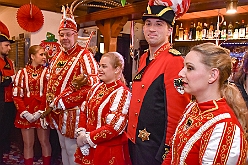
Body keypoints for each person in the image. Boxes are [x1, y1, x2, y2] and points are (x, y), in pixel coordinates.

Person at [126, 0, 191, 164]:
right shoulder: (144, 57)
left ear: (170, 29)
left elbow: (177, 113)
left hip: (154, 148)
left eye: (159, 24)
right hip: (136, 141)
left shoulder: (174, 61)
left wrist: (166, 153)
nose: (152, 29)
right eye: (148, 24)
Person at [163, 42, 248, 165]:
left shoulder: (224, 127)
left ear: (212, 75)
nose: (181, 73)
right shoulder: (192, 107)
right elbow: (172, 154)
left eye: (190, 68)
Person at [44, 5, 99, 165]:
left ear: (76, 35)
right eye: (62, 35)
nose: (65, 38)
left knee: (73, 149)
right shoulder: (57, 56)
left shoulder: (85, 56)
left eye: (69, 34)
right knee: (62, 147)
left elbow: (92, 87)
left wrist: (66, 102)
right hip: (57, 114)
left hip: (75, 114)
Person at [74, 52, 132, 165]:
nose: (99, 69)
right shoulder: (96, 88)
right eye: (99, 65)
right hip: (89, 147)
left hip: (108, 150)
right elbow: (84, 110)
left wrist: (87, 138)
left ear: (117, 69)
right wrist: (81, 131)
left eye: (104, 66)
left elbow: (115, 126)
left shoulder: (122, 93)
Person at [12, 45, 51, 165]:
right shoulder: (21, 73)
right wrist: (24, 112)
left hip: (42, 112)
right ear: (32, 56)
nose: (44, 57)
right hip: (26, 112)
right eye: (41, 54)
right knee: (28, 143)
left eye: (45, 54)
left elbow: (48, 94)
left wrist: (41, 112)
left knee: (44, 141)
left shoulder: (47, 73)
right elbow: (17, 95)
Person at [0, 21, 16, 165]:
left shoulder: (10, 62)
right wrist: (11, 78)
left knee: (7, 130)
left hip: (10, 101)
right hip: (1, 102)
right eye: (6, 45)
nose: (9, 48)